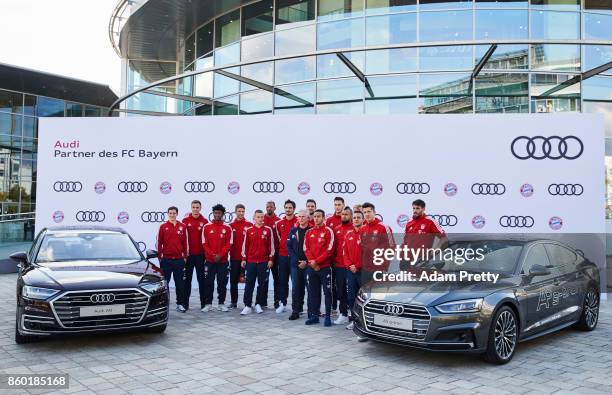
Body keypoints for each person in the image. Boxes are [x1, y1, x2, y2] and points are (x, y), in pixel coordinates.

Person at [304, 209, 335, 327]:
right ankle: (315, 316)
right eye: (315, 216)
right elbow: (305, 249)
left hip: (325, 267)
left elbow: (329, 250)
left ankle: (327, 317)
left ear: (323, 218)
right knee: (313, 292)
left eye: (318, 216)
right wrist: (313, 263)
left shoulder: (328, 231)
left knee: (327, 292)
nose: (316, 218)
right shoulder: (309, 232)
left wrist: (316, 262)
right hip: (312, 268)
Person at [241, 210, 275, 315]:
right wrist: (243, 258)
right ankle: (247, 305)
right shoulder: (249, 230)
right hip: (251, 262)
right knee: (249, 284)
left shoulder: (268, 230)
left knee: (262, 284)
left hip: (263, 262)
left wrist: (270, 259)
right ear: (254, 218)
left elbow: (271, 246)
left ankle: (258, 304)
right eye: (258, 217)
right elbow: (245, 246)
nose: (260, 219)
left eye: (261, 217)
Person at [202, 204, 233, 312]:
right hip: (210, 261)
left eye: (219, 213)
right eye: (215, 213)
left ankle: (221, 303)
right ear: (213, 213)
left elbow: (229, 244)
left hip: (223, 261)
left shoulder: (227, 227)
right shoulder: (206, 227)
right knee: (208, 283)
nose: (217, 215)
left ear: (223, 214)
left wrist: (220, 255)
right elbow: (204, 243)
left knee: (222, 283)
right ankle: (208, 304)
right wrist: (212, 255)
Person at [156, 206, 188, 313]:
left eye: (174, 213)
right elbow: (159, 243)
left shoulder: (182, 226)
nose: (172, 215)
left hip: (179, 260)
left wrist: (185, 257)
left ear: (177, 214)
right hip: (166, 260)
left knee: (180, 283)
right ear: (168, 214)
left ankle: (180, 304)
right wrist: (160, 257)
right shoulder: (163, 226)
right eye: (170, 213)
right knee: (165, 284)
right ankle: (165, 304)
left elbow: (185, 243)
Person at [401, 199, 447, 270]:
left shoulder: (430, 222)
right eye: (414, 208)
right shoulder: (409, 223)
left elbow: (444, 238)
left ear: (423, 209)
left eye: (418, 208)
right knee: (404, 281)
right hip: (405, 260)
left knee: (419, 281)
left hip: (420, 261)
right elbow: (405, 242)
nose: (415, 210)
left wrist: (432, 253)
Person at [182, 200, 209, 311]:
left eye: (197, 207)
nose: (195, 209)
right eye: (193, 207)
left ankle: (203, 303)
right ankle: (185, 304)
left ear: (200, 208)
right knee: (187, 280)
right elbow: (182, 239)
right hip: (189, 256)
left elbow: (207, 239)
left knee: (201, 280)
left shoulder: (205, 221)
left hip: (201, 256)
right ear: (191, 208)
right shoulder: (185, 221)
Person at [286, 209, 311, 320]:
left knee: (310, 288)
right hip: (295, 265)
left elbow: (314, 249)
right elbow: (289, 247)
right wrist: (297, 261)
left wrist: (306, 261)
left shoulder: (311, 230)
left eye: (303, 216)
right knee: (296, 288)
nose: (301, 218)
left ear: (308, 218)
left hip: (308, 265)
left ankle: (312, 311)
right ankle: (296, 310)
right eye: (299, 216)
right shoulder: (293, 231)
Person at [275, 199, 298, 313]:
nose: (288, 210)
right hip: (282, 256)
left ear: (294, 209)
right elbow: (279, 238)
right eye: (286, 208)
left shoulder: (298, 222)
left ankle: (296, 306)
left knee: (295, 283)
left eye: (290, 208)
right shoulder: (279, 223)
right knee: (283, 281)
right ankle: (283, 303)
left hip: (294, 257)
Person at [343, 210, 365, 330]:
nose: (356, 219)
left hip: (362, 271)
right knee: (351, 296)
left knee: (363, 297)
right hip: (350, 271)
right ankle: (354, 320)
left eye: (358, 217)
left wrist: (357, 265)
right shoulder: (348, 234)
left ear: (363, 220)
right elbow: (344, 252)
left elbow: (368, 254)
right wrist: (350, 265)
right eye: (354, 217)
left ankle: (363, 321)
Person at [361, 202, 395, 277]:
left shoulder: (384, 227)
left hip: (379, 268)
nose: (367, 214)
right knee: (365, 289)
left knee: (378, 289)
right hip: (365, 269)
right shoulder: (363, 228)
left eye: (369, 211)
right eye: (365, 212)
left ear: (374, 212)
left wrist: (384, 265)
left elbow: (392, 247)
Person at [332, 207, 353, 325]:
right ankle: (343, 313)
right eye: (342, 214)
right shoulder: (337, 229)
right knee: (340, 291)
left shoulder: (354, 228)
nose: (344, 216)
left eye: (346, 214)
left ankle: (353, 315)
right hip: (339, 266)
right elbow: (333, 247)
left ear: (351, 216)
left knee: (352, 292)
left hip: (351, 266)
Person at [229, 204, 252, 309]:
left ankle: (247, 303)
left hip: (247, 259)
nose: (241, 213)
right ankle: (233, 302)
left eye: (243, 211)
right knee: (233, 281)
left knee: (249, 281)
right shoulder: (230, 226)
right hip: (234, 258)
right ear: (235, 212)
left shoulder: (249, 225)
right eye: (239, 211)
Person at [263, 201, 280, 309]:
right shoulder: (261, 219)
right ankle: (263, 302)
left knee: (277, 279)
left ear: (275, 208)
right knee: (264, 279)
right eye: (267, 207)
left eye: (271, 207)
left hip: (277, 255)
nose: (269, 208)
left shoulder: (278, 221)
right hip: (264, 256)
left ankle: (277, 301)